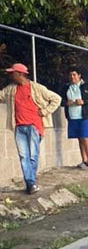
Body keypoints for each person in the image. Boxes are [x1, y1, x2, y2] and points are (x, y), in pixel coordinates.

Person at [0, 63, 61, 194]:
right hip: (19, 127)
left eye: (13, 73)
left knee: (32, 156)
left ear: (20, 74)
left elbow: (56, 99)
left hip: (34, 127)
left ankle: (30, 183)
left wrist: (44, 111)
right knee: (23, 156)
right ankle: (31, 183)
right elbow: (0, 95)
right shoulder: (11, 89)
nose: (11, 75)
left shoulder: (37, 88)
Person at [61, 67, 88, 168]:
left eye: (74, 75)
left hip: (86, 115)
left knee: (86, 137)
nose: (72, 77)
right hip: (73, 116)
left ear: (79, 75)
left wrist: (84, 102)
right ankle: (84, 160)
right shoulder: (66, 88)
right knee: (80, 138)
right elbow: (59, 100)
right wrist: (66, 103)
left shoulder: (87, 86)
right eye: (70, 75)